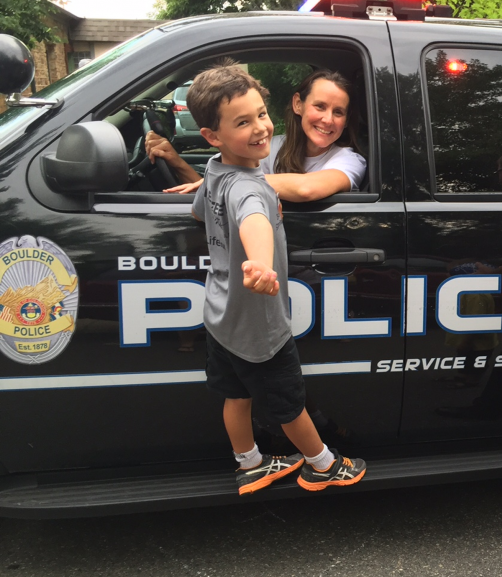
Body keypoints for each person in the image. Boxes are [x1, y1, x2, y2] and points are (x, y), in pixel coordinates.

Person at [186, 61, 366, 495]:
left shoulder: (214, 171)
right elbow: (254, 222)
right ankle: (323, 465)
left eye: (261, 115)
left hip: (220, 317)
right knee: (288, 403)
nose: (260, 128)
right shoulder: (253, 187)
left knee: (236, 396)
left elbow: (202, 212)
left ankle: (250, 462)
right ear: (213, 135)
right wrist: (262, 263)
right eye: (243, 122)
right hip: (258, 326)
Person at [147, 68, 366, 200]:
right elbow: (212, 193)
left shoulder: (349, 160)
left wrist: (224, 180)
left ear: (346, 121)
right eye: (320, 106)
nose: (328, 119)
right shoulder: (273, 146)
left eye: (338, 112)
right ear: (298, 104)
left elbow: (306, 189)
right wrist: (176, 162)